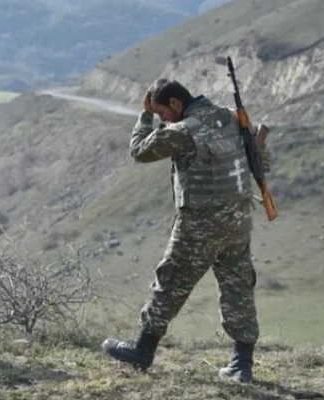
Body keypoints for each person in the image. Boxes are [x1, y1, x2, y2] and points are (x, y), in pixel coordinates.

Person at [103, 79, 260, 383]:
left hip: (200, 225)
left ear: (175, 104)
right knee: (238, 288)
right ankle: (242, 364)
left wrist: (145, 115)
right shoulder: (230, 116)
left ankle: (142, 351)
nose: (164, 120)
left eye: (163, 113)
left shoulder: (183, 131)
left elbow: (139, 150)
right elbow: (258, 155)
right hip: (238, 220)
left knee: (170, 282)